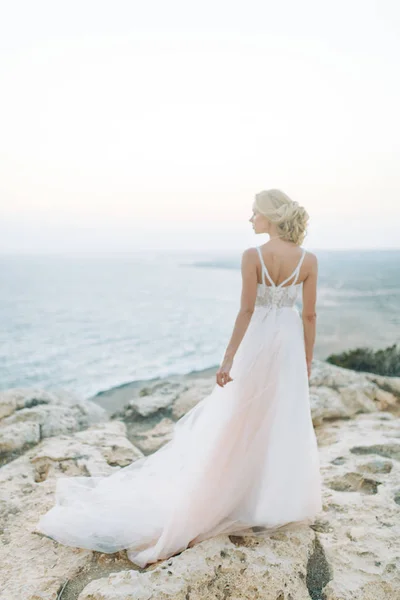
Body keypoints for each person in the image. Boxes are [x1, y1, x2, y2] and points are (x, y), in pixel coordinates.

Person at [35, 189, 322, 569]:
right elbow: (310, 316)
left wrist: (228, 358)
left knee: (239, 419)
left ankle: (229, 492)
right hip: (286, 345)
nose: (250, 219)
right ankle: (267, 499)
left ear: (270, 216)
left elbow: (247, 309)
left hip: (257, 345)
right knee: (279, 421)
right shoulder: (309, 260)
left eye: (254, 213)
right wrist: (306, 359)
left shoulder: (253, 256)